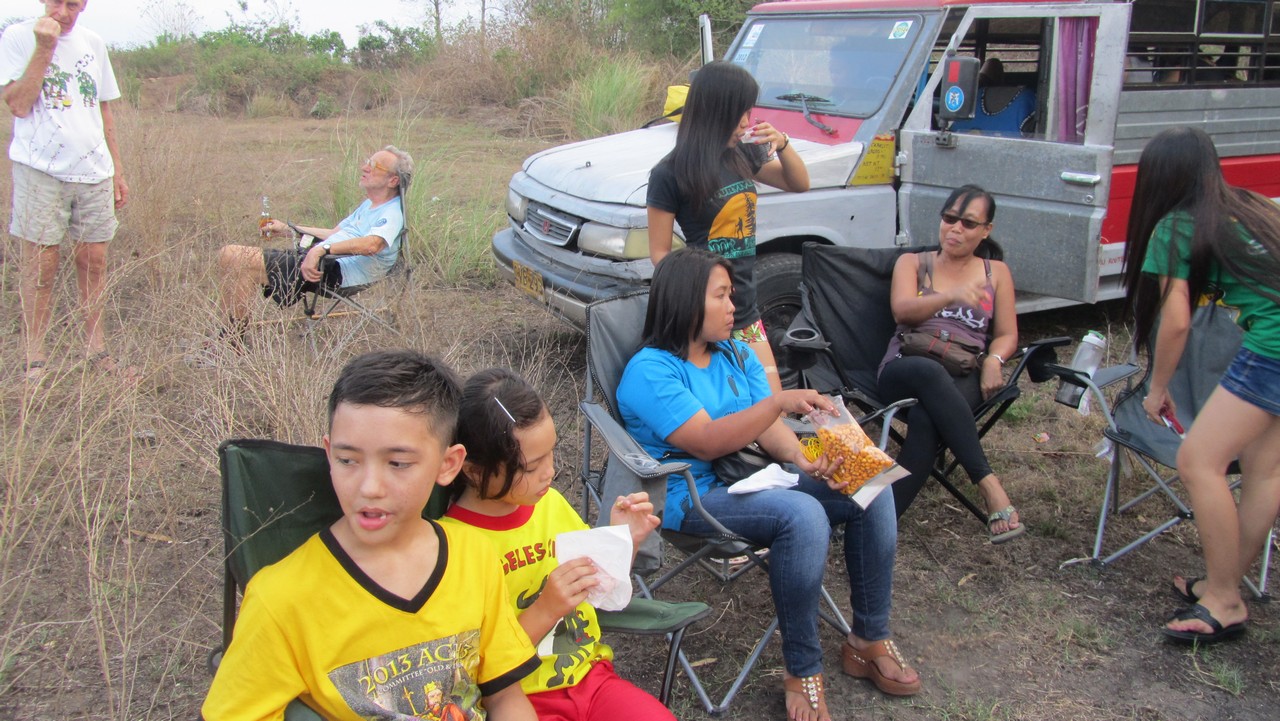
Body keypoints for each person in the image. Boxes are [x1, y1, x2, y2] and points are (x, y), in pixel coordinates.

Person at [617, 248, 921, 721]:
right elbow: (705, 441)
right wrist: (778, 402)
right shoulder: (651, 370)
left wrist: (805, 460)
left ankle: (868, 637)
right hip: (690, 495)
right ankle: (802, 668)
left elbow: (768, 429)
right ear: (686, 302)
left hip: (754, 478)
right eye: (721, 296)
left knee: (869, 483)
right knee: (802, 515)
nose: (733, 306)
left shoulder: (735, 353)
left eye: (731, 295)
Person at [203, 350, 540, 720]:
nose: (369, 487)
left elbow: (505, 697)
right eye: (348, 460)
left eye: (398, 463)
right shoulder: (281, 601)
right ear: (329, 455)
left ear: (448, 465)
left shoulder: (473, 556)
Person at [1120, 127, 1280, 644]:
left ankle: (1225, 601)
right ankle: (1222, 585)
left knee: (1197, 461)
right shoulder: (1251, 207)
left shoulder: (1176, 225)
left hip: (1274, 347)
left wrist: (1156, 388)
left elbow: (1176, 322)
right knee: (1264, 470)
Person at [440, 368, 674, 721]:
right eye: (530, 466)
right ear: (473, 470)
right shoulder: (454, 546)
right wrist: (545, 610)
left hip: (591, 680)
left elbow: (597, 590)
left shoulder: (549, 504)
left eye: (550, 453)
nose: (549, 472)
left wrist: (622, 540)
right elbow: (472, 671)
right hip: (520, 700)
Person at [647, 60, 809, 394]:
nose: (747, 122)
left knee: (771, 401)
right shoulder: (670, 173)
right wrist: (700, 294)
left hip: (745, 308)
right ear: (715, 111)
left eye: (749, 112)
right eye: (740, 113)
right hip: (703, 314)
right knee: (725, 403)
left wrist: (783, 144)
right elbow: (660, 254)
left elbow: (798, 183)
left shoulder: (743, 155)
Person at [876, 185, 1025, 543]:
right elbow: (902, 310)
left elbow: (1007, 333)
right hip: (906, 365)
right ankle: (988, 484)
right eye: (949, 218)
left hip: (962, 370)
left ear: (986, 230)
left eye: (968, 223)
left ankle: (881, 520)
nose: (955, 229)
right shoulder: (913, 263)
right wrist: (951, 295)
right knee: (929, 373)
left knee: (928, 419)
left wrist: (995, 360)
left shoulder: (996, 273)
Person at [2, 0, 133, 383]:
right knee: (41, 265)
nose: (62, 12)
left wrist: (117, 169)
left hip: (93, 170)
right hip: (40, 169)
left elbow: (103, 111)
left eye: (72, 4)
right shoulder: (18, 37)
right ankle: (35, 357)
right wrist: (45, 48)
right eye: (56, 2)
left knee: (94, 261)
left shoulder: (94, 43)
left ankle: (96, 349)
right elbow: (18, 104)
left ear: (85, 4)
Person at [214, 145, 411, 346]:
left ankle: (231, 342)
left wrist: (321, 250)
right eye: (367, 162)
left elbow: (372, 245)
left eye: (374, 165)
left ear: (393, 180)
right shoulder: (369, 204)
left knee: (235, 257)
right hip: (322, 259)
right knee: (228, 257)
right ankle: (228, 336)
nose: (364, 167)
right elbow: (334, 234)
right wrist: (289, 229)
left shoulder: (392, 212)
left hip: (336, 270)